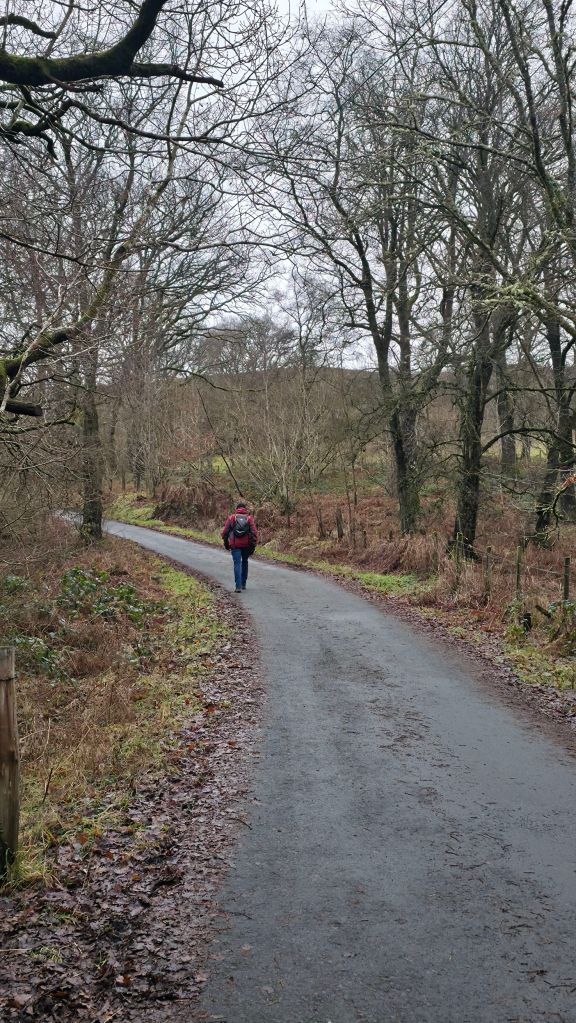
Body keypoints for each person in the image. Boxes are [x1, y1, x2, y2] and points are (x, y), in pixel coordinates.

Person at [221, 500, 258, 592]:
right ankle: (243, 584)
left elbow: (225, 532)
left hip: (235, 545)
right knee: (245, 562)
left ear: (236, 509)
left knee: (237, 563)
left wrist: (226, 543)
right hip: (246, 545)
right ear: (245, 509)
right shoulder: (249, 519)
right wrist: (253, 545)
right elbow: (254, 533)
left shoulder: (232, 518)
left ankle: (238, 586)